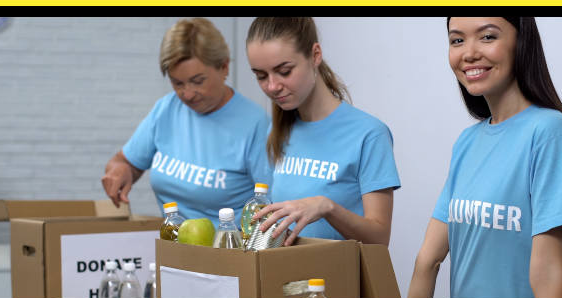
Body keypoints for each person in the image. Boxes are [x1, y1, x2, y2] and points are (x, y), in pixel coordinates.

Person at [407, 17, 562, 298]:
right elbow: (427, 261)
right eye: (457, 40)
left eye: (488, 37)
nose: (469, 53)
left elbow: (547, 271)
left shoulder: (548, 131)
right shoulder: (466, 143)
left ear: (521, 43)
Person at [101, 18, 272, 227]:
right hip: (174, 249)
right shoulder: (166, 109)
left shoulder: (255, 124)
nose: (187, 94)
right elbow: (124, 162)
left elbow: (273, 206)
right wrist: (121, 170)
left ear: (224, 67)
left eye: (198, 81)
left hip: (229, 251)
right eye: (177, 83)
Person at [245, 17, 401, 246]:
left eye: (284, 71)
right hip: (286, 279)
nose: (272, 86)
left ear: (315, 55)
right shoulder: (276, 131)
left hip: (338, 279)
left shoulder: (369, 134)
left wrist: (327, 207)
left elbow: (378, 239)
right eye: (261, 76)